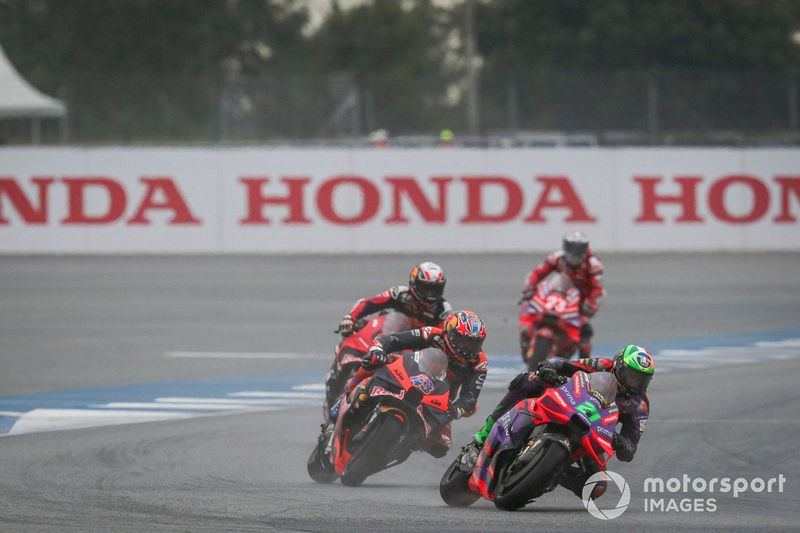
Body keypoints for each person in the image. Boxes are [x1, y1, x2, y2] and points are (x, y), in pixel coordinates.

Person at [460, 344, 653, 500]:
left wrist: (619, 442)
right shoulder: (602, 365)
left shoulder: (640, 406)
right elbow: (562, 363)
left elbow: (630, 450)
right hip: (569, 402)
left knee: (598, 487)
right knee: (529, 380)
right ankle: (482, 437)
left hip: (593, 432)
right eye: (633, 376)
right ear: (618, 366)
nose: (635, 383)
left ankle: (553, 471)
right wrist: (548, 368)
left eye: (642, 379)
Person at [329, 310, 489, 458]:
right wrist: (379, 350)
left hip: (439, 400)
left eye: (473, 343)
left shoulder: (478, 363)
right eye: (462, 341)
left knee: (441, 446)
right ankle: (348, 392)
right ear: (449, 333)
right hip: (408, 374)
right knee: (373, 361)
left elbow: (470, 398)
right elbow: (393, 340)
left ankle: (405, 445)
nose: (467, 348)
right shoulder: (432, 334)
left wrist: (457, 410)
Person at [325, 262, 452, 410]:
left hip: (414, 352)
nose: (430, 294)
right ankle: (338, 372)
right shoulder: (400, 293)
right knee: (358, 326)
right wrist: (350, 318)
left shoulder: (443, 310)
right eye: (426, 288)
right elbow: (369, 303)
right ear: (414, 283)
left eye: (434, 289)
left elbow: (445, 338)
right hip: (388, 337)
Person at [519, 231, 605, 358]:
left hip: (579, 305)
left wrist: (590, 305)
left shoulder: (593, 264)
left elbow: (597, 289)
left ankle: (585, 368)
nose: (575, 253)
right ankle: (526, 338)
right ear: (566, 247)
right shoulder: (557, 258)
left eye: (579, 249)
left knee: (585, 332)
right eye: (572, 248)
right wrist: (529, 288)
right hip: (558, 296)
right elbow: (536, 274)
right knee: (527, 307)